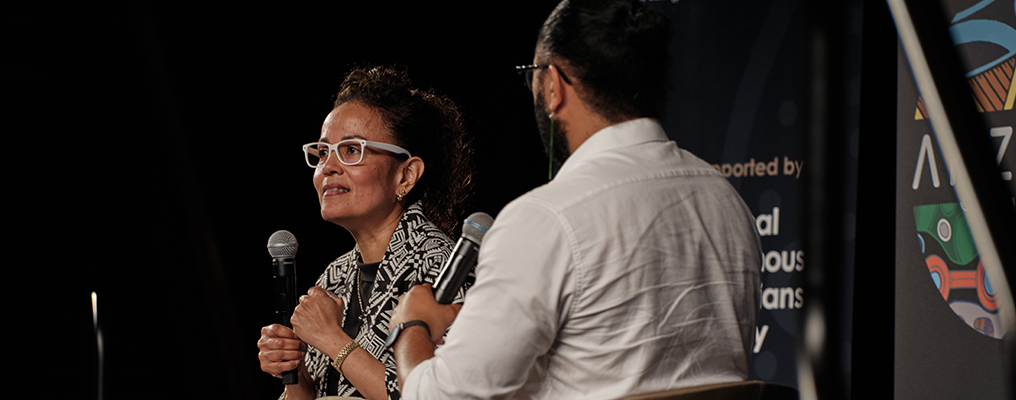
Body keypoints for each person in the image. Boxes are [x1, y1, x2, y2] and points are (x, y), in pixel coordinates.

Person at [387, 0, 762, 399]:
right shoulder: (728, 202)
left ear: (552, 86)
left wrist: (411, 326)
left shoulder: (545, 219)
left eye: (532, 77)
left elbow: (439, 397)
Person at [257, 65, 474, 400]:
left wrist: (332, 339)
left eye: (351, 150)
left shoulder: (443, 267)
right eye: (323, 151)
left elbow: (440, 396)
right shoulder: (335, 276)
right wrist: (295, 373)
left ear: (406, 175)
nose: (327, 167)